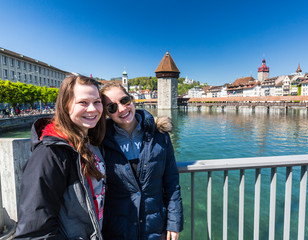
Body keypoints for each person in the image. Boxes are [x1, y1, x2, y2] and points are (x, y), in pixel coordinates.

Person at [14, 74, 106, 239]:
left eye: (97, 102)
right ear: (65, 106)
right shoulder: (49, 154)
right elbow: (34, 232)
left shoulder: (91, 142)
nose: (93, 109)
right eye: (83, 102)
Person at [100, 82, 183, 240]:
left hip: (155, 228)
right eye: (112, 107)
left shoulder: (160, 135)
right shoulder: (101, 140)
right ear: (106, 113)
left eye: (124, 100)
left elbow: (171, 182)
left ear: (131, 99)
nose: (122, 109)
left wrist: (174, 222)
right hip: (118, 230)